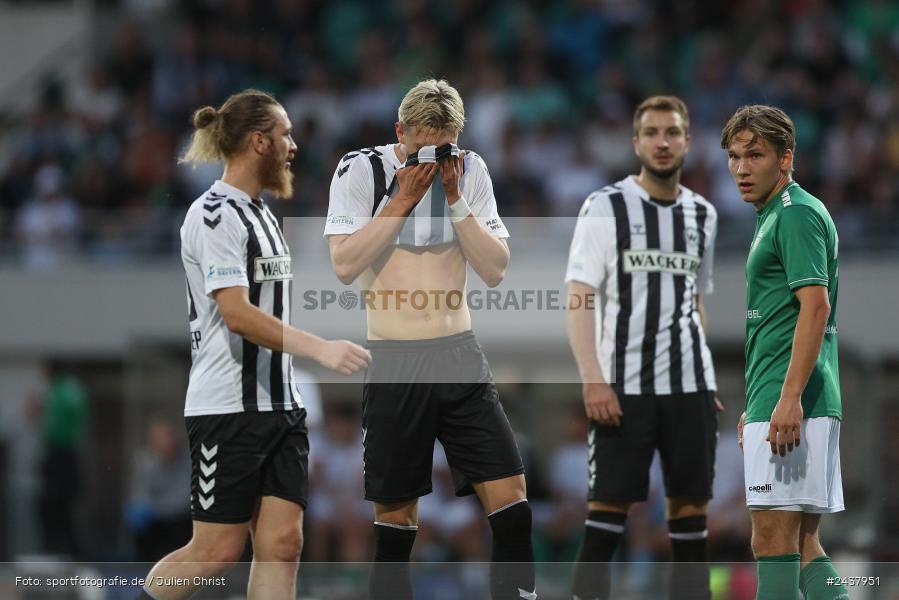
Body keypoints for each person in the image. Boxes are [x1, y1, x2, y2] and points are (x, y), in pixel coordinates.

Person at [136, 89, 370, 600]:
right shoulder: (213, 214)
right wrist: (320, 348)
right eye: (284, 135)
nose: (293, 145)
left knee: (283, 545)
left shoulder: (263, 214)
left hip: (282, 407)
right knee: (216, 551)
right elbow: (237, 314)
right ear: (258, 141)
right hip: (227, 407)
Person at [324, 78, 536, 600]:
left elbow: (494, 270)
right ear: (401, 132)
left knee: (513, 509)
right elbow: (345, 264)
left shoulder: (470, 170)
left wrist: (455, 197)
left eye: (447, 146)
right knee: (396, 526)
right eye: (425, 146)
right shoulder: (361, 170)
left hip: (458, 354)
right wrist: (402, 199)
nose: (437, 157)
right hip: (395, 360)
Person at [565, 95, 722, 600]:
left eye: (672, 132)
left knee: (691, 516)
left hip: (690, 386)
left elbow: (695, 301)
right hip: (622, 387)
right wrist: (592, 377)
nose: (662, 141)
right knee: (606, 516)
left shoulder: (703, 214)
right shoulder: (605, 205)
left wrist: (707, 379)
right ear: (635, 142)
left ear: (687, 142)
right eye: (652, 132)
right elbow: (579, 298)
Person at [721, 105, 848, 600]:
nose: (742, 168)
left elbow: (815, 307)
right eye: (734, 157)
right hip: (784, 397)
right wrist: (760, 403)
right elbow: (779, 321)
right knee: (802, 543)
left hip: (795, 401)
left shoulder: (794, 214)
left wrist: (787, 397)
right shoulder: (778, 213)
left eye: (755, 155)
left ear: (786, 158)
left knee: (771, 542)